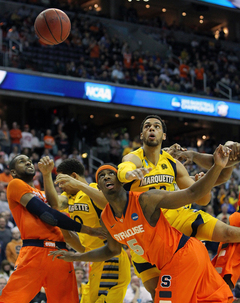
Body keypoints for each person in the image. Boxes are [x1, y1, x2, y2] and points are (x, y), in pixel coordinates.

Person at [50, 147, 234, 302]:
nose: (106, 177)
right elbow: (110, 251)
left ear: (121, 182)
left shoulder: (145, 200)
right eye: (101, 176)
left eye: (110, 174)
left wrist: (217, 166)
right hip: (168, 262)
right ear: (98, 186)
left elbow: (193, 193)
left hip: (183, 254)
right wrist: (73, 257)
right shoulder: (107, 218)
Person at [116, 115, 240, 297]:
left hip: (177, 218)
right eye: (147, 126)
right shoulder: (134, 158)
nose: (152, 128)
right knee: (158, 293)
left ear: (163, 135)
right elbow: (123, 168)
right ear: (141, 135)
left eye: (157, 126)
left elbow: (202, 199)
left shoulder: (172, 162)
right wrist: (129, 174)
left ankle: (224, 283)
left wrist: (203, 181)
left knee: (231, 234)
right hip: (146, 233)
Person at [0, 154, 104, 303]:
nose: (28, 162)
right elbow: (48, 215)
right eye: (22, 161)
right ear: (14, 172)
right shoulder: (15, 184)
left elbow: (54, 204)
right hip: (35, 251)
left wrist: (47, 174)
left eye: (29, 161)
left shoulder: (41, 194)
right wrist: (89, 230)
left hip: (60, 253)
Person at [43, 157, 131, 303]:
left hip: (111, 258)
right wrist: (46, 175)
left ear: (73, 177)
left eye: (61, 182)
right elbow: (55, 204)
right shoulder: (69, 197)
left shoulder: (96, 188)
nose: (60, 187)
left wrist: (78, 184)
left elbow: (108, 203)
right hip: (94, 260)